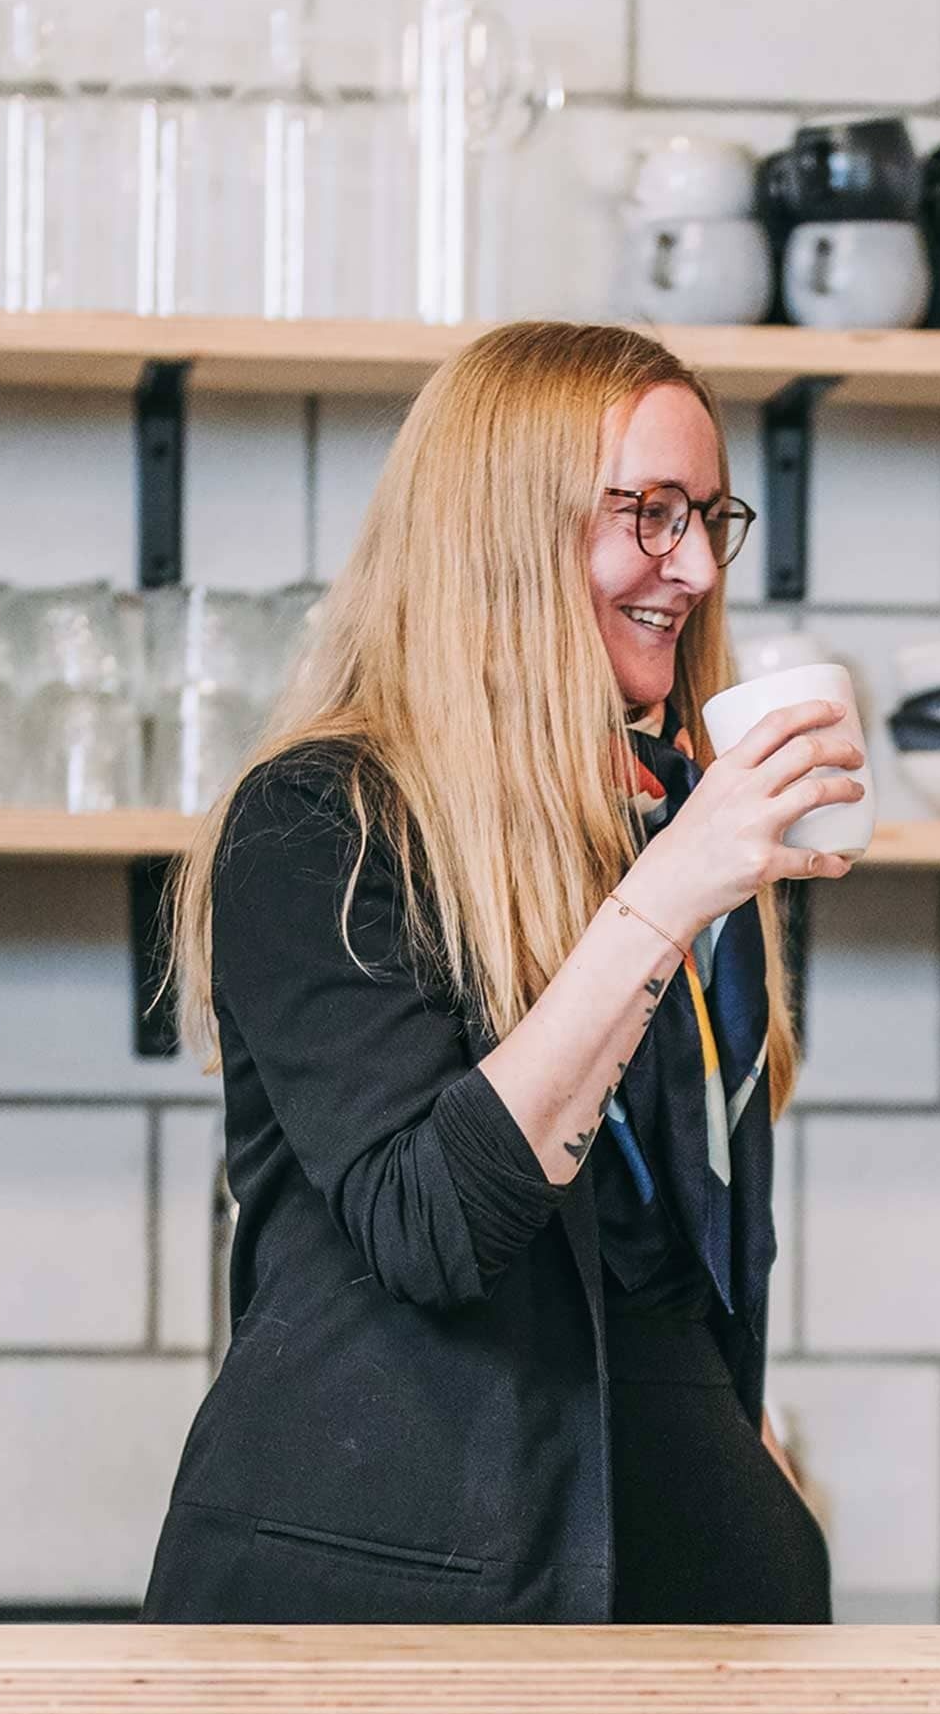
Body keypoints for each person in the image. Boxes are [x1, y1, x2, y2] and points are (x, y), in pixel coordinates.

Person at [143, 322, 861, 1625]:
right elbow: (433, 1224)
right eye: (646, 513)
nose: (694, 566)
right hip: (386, 1623)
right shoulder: (320, 824)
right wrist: (664, 900)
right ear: (500, 534)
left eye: (707, 515)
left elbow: (684, 1270)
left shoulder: (660, 827)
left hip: (677, 1619)